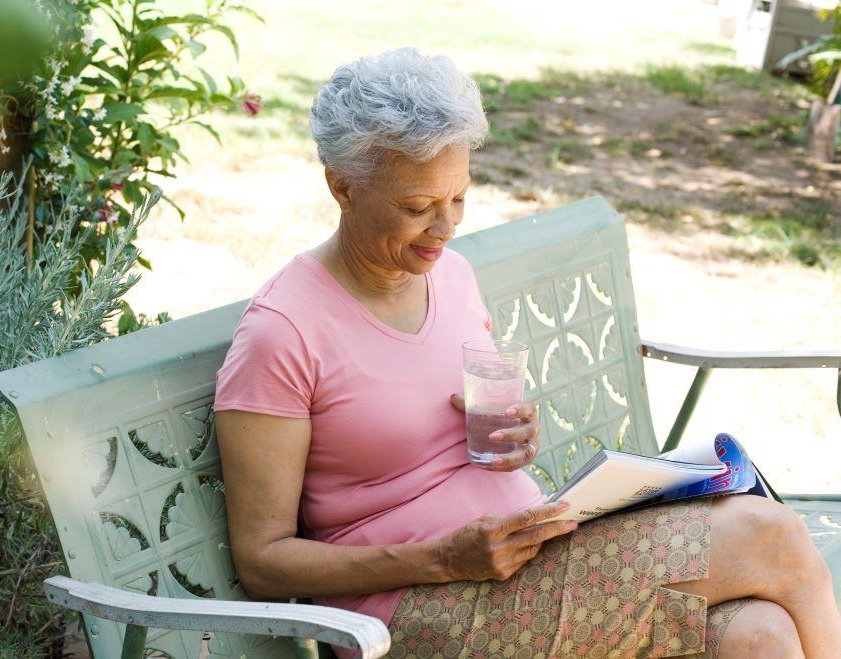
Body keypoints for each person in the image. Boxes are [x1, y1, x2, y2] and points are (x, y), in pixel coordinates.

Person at [212, 47, 841, 659]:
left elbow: (446, 430)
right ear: (342, 186)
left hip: (527, 560)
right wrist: (440, 558)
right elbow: (264, 562)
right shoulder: (283, 332)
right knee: (772, 536)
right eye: (416, 207)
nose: (445, 226)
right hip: (413, 610)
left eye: (458, 197)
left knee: (759, 637)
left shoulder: (451, 277)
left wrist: (513, 440)